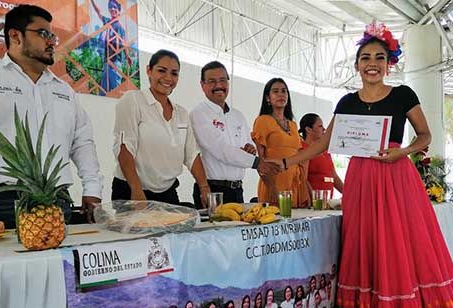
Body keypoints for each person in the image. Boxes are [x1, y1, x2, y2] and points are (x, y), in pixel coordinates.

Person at [280, 22, 453, 308]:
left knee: (399, 249)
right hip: (361, 181)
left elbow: (424, 136)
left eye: (380, 57)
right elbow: (324, 143)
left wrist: (403, 153)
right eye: (365, 57)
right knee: (365, 248)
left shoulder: (403, 95)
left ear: (390, 63)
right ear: (357, 65)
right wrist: (285, 161)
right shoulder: (346, 101)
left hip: (396, 177)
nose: (372, 63)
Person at [0, 4, 103, 228]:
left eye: (53, 35)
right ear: (15, 36)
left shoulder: (64, 90)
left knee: (60, 263)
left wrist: (92, 189)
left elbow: (82, 142)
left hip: (58, 200)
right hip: (2, 201)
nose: (51, 41)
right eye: (43, 33)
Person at [111, 49, 210, 206]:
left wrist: (204, 187)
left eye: (174, 73)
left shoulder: (182, 113)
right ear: (148, 70)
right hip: (132, 190)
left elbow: (192, 154)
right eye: (161, 70)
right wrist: (136, 190)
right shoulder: (133, 100)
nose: (168, 78)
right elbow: (124, 148)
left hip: (168, 193)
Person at [190, 61, 281, 207]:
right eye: (212, 81)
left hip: (237, 189)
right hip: (213, 191)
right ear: (202, 85)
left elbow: (248, 145)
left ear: (228, 82)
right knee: (217, 230)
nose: (218, 86)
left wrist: (250, 150)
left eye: (222, 80)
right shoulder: (199, 113)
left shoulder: (237, 115)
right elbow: (220, 150)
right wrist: (257, 162)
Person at [251, 78, 310, 207]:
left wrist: (307, 187)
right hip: (273, 183)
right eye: (275, 91)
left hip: (295, 183)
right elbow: (261, 160)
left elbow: (299, 159)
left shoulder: (293, 125)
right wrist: (271, 187)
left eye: (284, 91)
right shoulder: (262, 121)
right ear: (268, 98)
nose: (281, 94)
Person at [89, 0, 130, 94]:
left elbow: (124, 43)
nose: (112, 9)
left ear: (119, 11)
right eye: (111, 7)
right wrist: (92, 2)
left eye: (115, 7)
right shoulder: (107, 21)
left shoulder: (120, 28)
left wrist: (127, 56)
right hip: (107, 62)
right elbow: (98, 12)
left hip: (116, 62)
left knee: (115, 88)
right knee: (103, 90)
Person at [299, 113, 343, 196]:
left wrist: (348, 195)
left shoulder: (325, 151)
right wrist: (313, 199)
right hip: (314, 203)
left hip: (327, 201)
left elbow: (334, 177)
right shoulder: (303, 149)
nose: (324, 129)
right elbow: (303, 179)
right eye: (320, 126)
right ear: (308, 129)